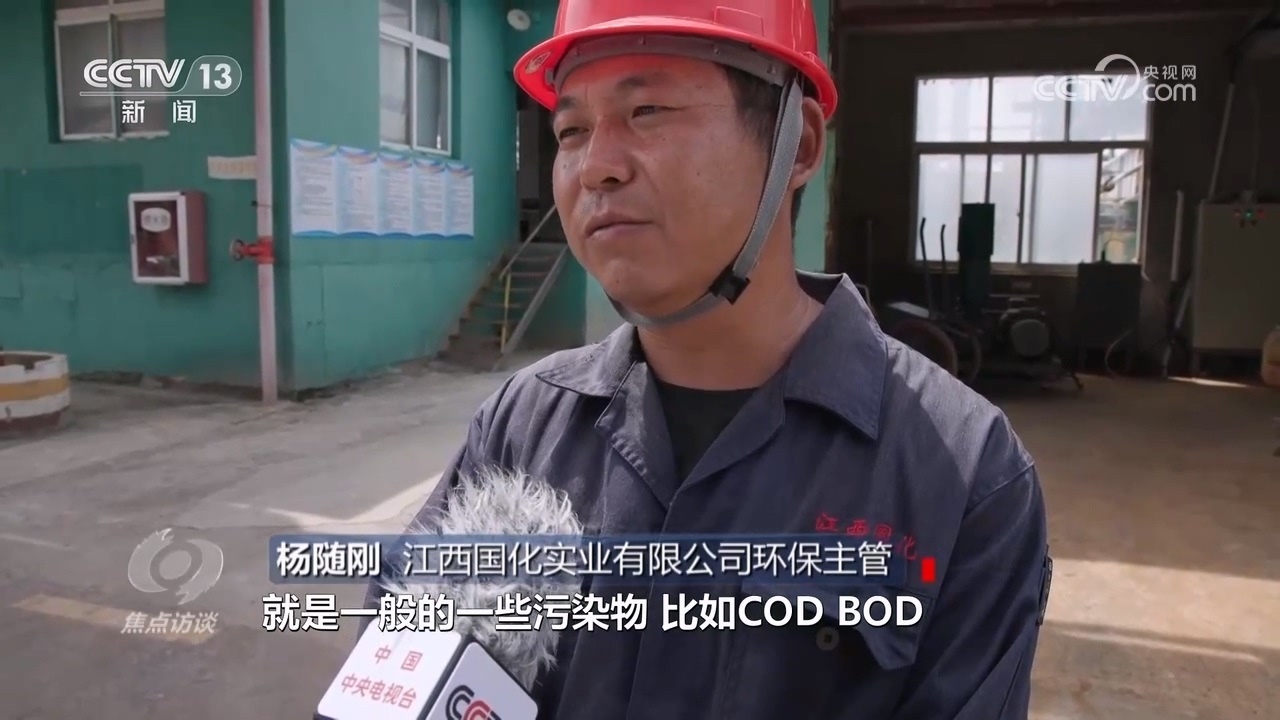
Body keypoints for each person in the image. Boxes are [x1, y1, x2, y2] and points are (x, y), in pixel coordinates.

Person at [366, 1, 1052, 718]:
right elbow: (401, 678)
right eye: (571, 130)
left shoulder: (964, 473)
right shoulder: (520, 427)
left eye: (648, 111)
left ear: (797, 145)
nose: (595, 167)